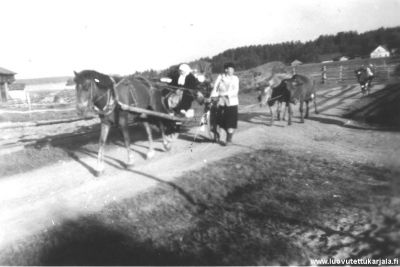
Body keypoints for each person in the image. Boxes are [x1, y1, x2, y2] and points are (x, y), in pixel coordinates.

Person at [210, 62, 239, 145]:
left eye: (233, 69)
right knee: (220, 121)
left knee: (231, 122)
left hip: (232, 102)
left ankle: (229, 139)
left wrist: (226, 95)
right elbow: (215, 88)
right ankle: (218, 135)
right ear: (226, 70)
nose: (232, 70)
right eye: (230, 68)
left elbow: (236, 90)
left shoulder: (235, 78)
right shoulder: (220, 77)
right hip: (221, 102)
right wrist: (213, 98)